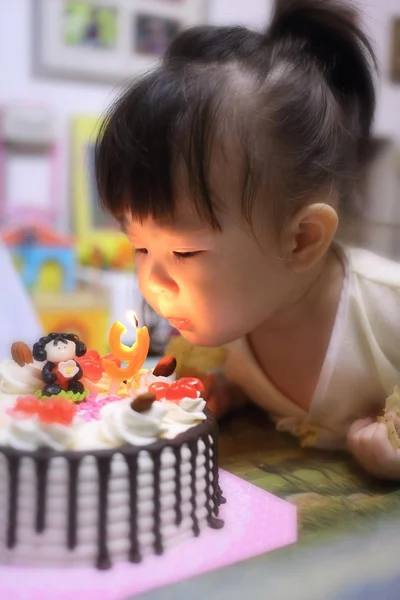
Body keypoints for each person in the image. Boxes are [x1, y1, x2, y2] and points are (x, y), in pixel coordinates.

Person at [94, 0, 400, 479]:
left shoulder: (386, 309)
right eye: (139, 247)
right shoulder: (222, 332)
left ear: (301, 239)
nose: (153, 281)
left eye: (185, 251)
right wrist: (230, 390)